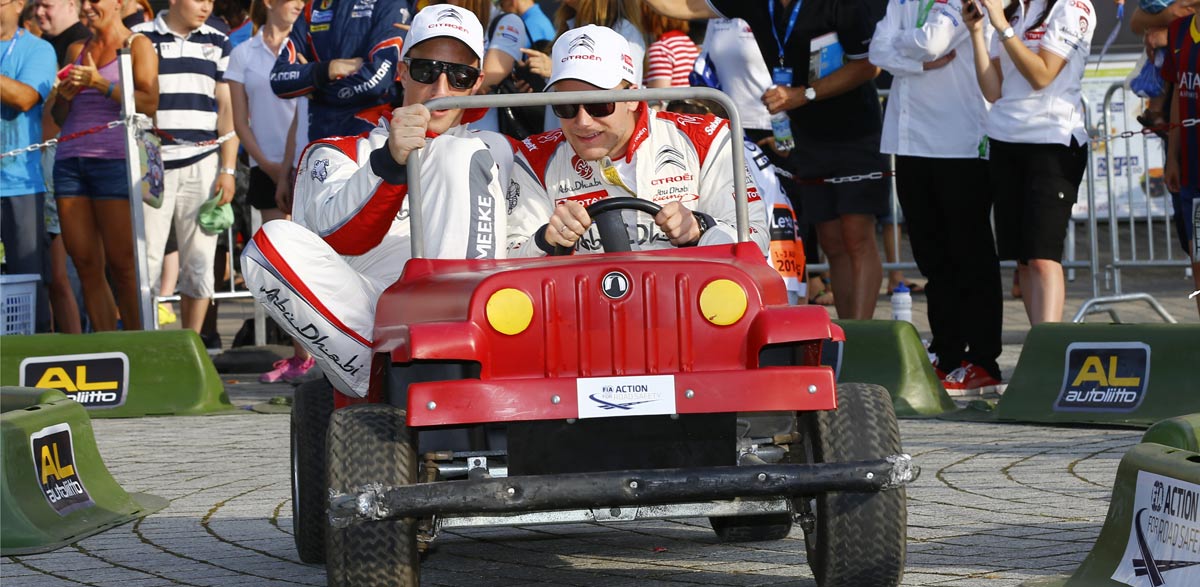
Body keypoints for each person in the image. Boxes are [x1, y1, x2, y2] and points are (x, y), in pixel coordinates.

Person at [242, 3, 513, 397]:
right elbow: (338, 239)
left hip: (481, 322)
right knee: (269, 243)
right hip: (373, 318)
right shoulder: (336, 151)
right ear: (402, 71)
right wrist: (389, 163)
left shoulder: (500, 151)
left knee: (462, 154)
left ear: (477, 83)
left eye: (459, 76)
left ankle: (452, 355)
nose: (440, 90)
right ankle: (393, 375)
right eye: (425, 71)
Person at [646, 0, 889, 321]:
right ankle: (849, 332)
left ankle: (863, 335)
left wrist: (806, 94)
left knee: (856, 235)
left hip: (854, 131)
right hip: (807, 133)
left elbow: (870, 65)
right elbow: (682, 7)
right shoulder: (761, 5)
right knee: (831, 241)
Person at [505, 25, 769, 258]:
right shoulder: (533, 157)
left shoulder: (706, 138)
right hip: (582, 310)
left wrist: (701, 228)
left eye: (599, 105)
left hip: (687, 306)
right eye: (565, 106)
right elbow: (509, 255)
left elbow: (755, 240)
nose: (582, 121)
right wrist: (545, 240)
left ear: (633, 97)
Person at [870, 0, 1003, 393]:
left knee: (971, 255)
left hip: (959, 141)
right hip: (910, 141)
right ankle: (947, 352)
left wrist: (904, 49)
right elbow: (877, 50)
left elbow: (934, 42)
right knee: (932, 257)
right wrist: (912, 61)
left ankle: (983, 359)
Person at [963, 0, 1094, 325]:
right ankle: (1038, 344)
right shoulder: (1016, 12)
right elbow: (993, 90)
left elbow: (1042, 75)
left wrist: (1001, 26)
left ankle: (1048, 352)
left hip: (1052, 141)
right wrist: (977, 32)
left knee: (1042, 257)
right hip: (1005, 140)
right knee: (1023, 261)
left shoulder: (1072, 6)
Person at [133, 0, 239, 334]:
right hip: (151, 162)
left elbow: (226, 109)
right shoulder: (140, 36)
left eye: (211, 0)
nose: (206, 6)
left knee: (200, 263)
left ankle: (192, 348)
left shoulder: (218, 40)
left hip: (204, 161)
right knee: (146, 261)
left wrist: (229, 168)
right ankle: (146, 344)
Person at [51, 0, 157, 331]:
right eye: (83, 1)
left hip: (114, 160)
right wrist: (66, 96)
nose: (87, 6)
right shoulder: (76, 48)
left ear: (119, 3)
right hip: (70, 160)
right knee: (85, 263)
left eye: (94, 0)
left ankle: (138, 348)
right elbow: (57, 117)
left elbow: (150, 101)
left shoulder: (137, 44)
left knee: (123, 265)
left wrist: (101, 84)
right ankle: (108, 346)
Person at [227, 0, 314, 380]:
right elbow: (239, 121)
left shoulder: (311, 45)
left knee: (315, 262)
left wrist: (291, 165)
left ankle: (326, 354)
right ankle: (301, 354)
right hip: (267, 167)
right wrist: (269, 165)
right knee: (283, 265)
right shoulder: (243, 52)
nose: (300, 3)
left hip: (313, 161)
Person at [268, 0, 407, 142]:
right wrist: (329, 69)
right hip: (321, 137)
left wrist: (318, 90)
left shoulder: (390, 4)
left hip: (370, 136)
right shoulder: (312, 8)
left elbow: (376, 82)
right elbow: (279, 78)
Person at [1, 0, 56, 333]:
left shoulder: (38, 50)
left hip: (19, 183)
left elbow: (25, 98)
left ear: (18, 4)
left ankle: (31, 354)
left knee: (27, 278)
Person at [1161, 0, 1199, 317]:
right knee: (1197, 255)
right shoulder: (1178, 30)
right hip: (1191, 166)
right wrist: (1172, 155)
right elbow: (1177, 93)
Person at [641, 4, 698, 90]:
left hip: (673, 103)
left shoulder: (661, 48)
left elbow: (659, 96)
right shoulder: (689, 43)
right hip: (686, 102)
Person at [32, 0, 87, 66]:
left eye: (47, 6)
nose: (39, 12)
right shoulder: (44, 39)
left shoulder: (83, 45)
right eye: (36, 5)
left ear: (70, 5)